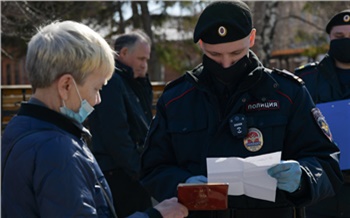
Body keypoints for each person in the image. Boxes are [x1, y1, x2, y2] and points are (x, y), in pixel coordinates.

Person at [140, 1, 343, 218]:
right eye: (215, 55)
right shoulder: (176, 99)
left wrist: (303, 177)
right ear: (200, 44)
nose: (226, 63)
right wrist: (181, 184)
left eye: (236, 53)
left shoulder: (286, 93)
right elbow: (152, 167)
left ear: (252, 38)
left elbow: (326, 163)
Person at [1, 20, 188, 218]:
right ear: (66, 85)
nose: (98, 100)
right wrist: (155, 215)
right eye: (96, 88)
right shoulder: (57, 150)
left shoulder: (19, 127)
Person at [88, 30, 154, 217]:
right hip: (120, 173)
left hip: (129, 171)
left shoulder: (130, 81)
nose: (144, 65)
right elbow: (116, 133)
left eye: (146, 60)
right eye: (141, 59)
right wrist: (138, 170)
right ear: (123, 53)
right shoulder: (112, 81)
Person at [294, 9, 350, 218]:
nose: (346, 41)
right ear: (329, 38)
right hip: (321, 186)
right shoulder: (306, 79)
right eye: (339, 37)